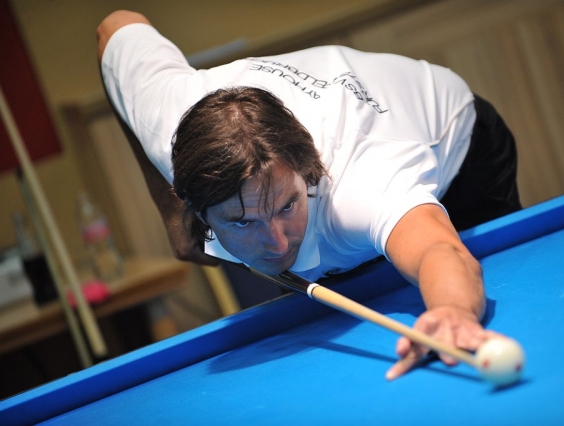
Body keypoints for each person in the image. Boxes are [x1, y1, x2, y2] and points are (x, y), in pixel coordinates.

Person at [97, 10, 521, 381]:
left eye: (287, 206)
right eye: (242, 222)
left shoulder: (362, 183)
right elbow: (115, 26)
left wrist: (453, 311)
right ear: (196, 205)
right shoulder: (165, 121)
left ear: (306, 174)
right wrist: (168, 208)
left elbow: (437, 249)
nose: (277, 242)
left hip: (455, 141)